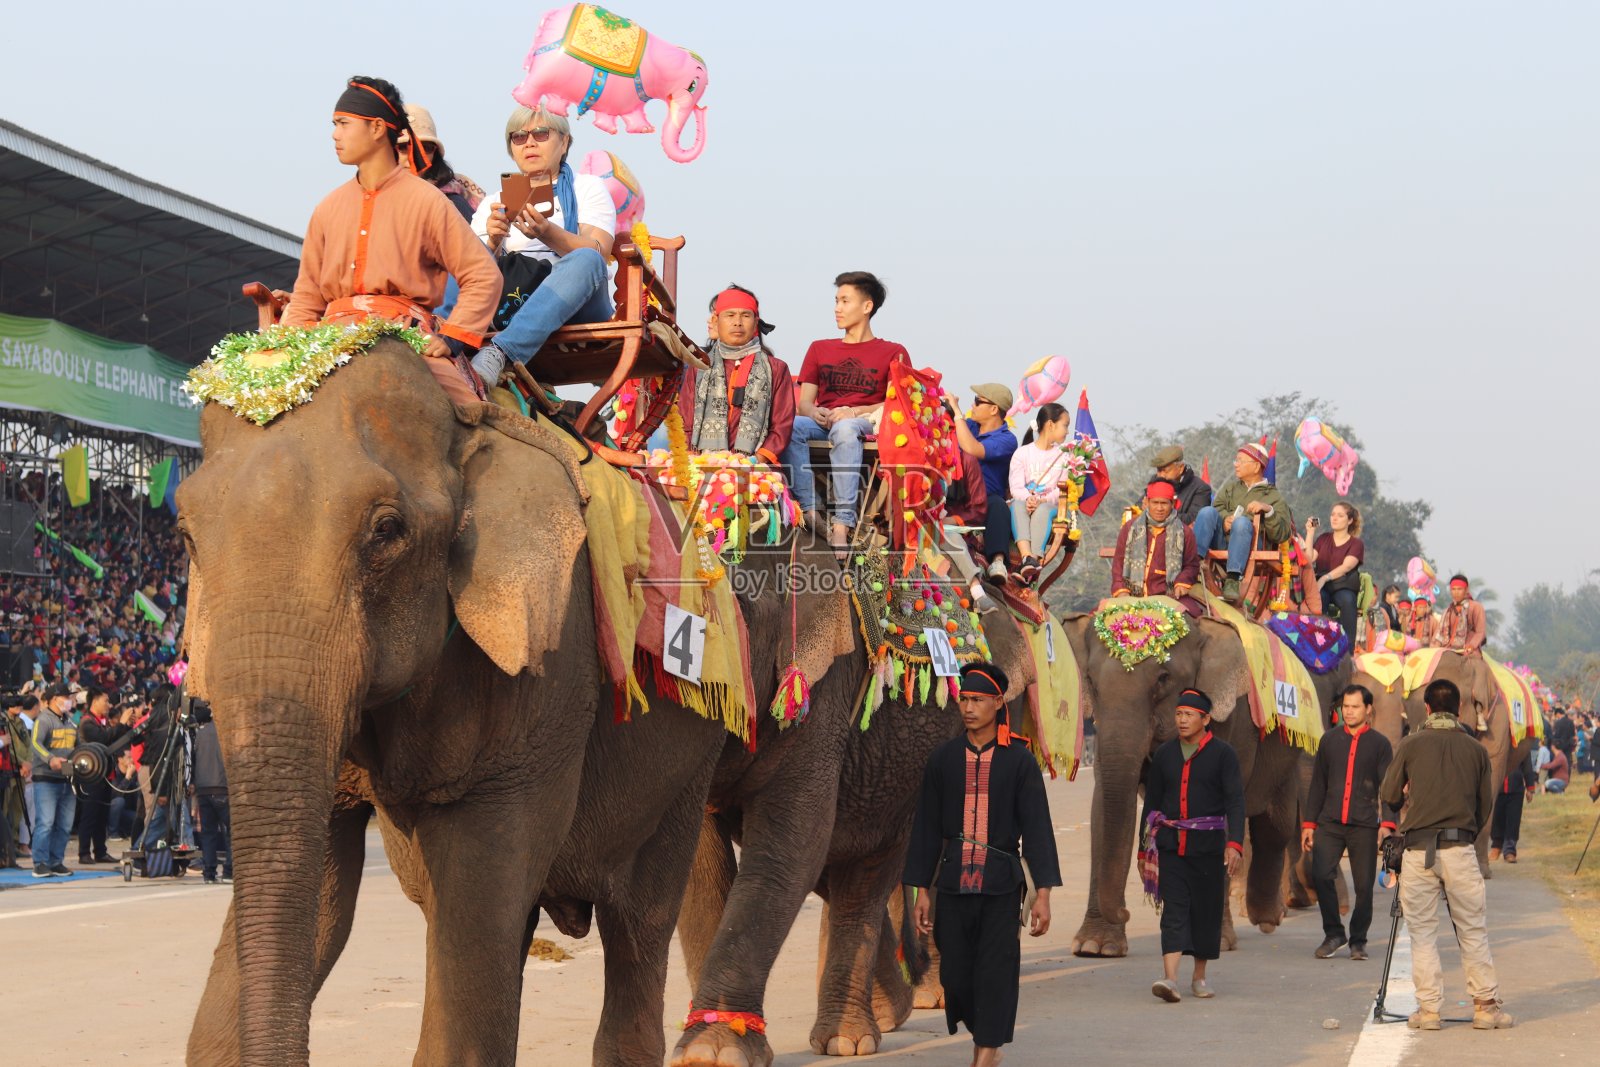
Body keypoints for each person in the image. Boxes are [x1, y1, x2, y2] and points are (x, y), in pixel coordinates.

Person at [280, 76, 501, 386]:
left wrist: (451, 338)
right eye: (334, 125)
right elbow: (306, 296)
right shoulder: (327, 208)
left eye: (343, 124)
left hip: (405, 338)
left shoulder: (427, 201)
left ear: (377, 128)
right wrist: (289, 351)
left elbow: (483, 275)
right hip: (327, 340)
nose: (334, 134)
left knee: (463, 407)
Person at [905, 662, 1060, 1067]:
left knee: (996, 970)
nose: (969, 708)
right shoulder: (943, 760)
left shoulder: (1020, 760)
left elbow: (1038, 829)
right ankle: (986, 1037)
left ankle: (986, 1053)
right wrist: (921, 891)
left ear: (997, 702)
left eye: (977, 700)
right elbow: (926, 829)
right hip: (953, 884)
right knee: (955, 975)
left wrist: (1043, 895)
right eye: (964, 699)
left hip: (1001, 887)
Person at [1380, 678, 1514, 1031]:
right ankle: (1485, 1008)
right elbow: (1484, 807)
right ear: (1460, 709)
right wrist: (1464, 831)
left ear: (1426, 708)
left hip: (1417, 850)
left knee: (1422, 934)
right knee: (1472, 930)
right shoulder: (1476, 750)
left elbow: (1389, 794)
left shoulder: (1410, 744)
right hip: (1460, 849)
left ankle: (1428, 1012)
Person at [469, 106, 617, 387]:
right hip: (513, 298)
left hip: (578, 299)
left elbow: (600, 252)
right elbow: (471, 269)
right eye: (519, 137)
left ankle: (500, 352)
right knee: (456, 254)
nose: (530, 143)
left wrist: (548, 233)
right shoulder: (493, 203)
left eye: (540, 133)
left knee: (588, 259)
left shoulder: (587, 188)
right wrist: (494, 241)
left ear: (564, 142)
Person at [781, 272, 909, 553]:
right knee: (790, 425)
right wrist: (816, 412)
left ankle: (842, 523)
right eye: (836, 301)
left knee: (846, 428)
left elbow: (896, 403)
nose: (837, 308)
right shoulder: (819, 348)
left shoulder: (893, 351)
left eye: (844, 301)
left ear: (867, 306)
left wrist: (854, 411)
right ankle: (810, 510)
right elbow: (804, 403)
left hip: (865, 424)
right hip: (825, 421)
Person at [1143, 689, 1245, 1002]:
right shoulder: (1165, 755)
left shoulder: (1223, 755)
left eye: (1189, 715)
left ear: (1206, 719)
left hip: (1208, 849)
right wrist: (1143, 848)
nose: (1182, 720)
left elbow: (1235, 802)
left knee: (1205, 912)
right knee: (1173, 910)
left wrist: (1234, 844)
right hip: (1170, 847)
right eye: (1179, 714)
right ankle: (1170, 979)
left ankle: (1199, 977)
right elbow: (1152, 803)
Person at [1301, 685, 1394, 961]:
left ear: (1368, 709)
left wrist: (1388, 823)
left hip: (1363, 824)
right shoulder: (1329, 740)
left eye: (1355, 707)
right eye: (1345, 707)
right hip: (1329, 822)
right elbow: (1318, 784)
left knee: (1364, 886)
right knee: (1321, 875)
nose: (1349, 712)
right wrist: (1309, 823)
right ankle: (1334, 934)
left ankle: (1358, 940)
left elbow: (1388, 787)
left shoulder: (1380, 744)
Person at [674, 286, 795, 463]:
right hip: (702, 464)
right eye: (730, 315)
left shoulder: (776, 368)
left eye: (745, 316)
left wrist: (755, 461)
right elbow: (685, 421)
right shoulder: (699, 366)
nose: (737, 322)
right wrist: (696, 462)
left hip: (756, 466)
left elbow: (781, 426)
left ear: (756, 322)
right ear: (716, 321)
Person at [1191, 443, 1294, 605]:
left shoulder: (1273, 496)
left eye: (1240, 461)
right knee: (1206, 512)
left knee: (1242, 523)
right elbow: (1217, 508)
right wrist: (1225, 520)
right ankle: (1193, 564)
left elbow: (1283, 533)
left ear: (1256, 466)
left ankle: (1233, 579)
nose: (1236, 464)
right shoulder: (1230, 489)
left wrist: (1268, 510)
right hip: (1223, 541)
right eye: (1236, 460)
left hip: (1251, 545)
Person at [947, 384, 1019, 577]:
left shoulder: (1007, 439)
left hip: (986, 500)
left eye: (978, 402)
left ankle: (997, 562)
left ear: (994, 409)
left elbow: (972, 449)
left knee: (998, 505)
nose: (973, 405)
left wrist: (957, 413)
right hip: (955, 494)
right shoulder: (970, 425)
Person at [1110, 481, 1201, 615]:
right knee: (1098, 620)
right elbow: (1118, 563)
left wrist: (1182, 583)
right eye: (1155, 503)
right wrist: (1121, 590)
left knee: (1191, 619)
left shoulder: (1185, 532)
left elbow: (1191, 565)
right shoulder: (1129, 528)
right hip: (1131, 596)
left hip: (1169, 597)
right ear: (1147, 502)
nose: (1159, 508)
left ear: (1173, 504)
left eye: (1164, 503)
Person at [1007, 403, 1072, 585]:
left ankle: (1032, 561)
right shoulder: (1022, 453)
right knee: (1017, 505)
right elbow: (1016, 488)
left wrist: (1042, 500)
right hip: (1025, 503)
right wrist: (1028, 499)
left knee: (1043, 510)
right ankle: (1027, 557)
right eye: (1065, 425)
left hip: (1050, 507)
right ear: (1050, 424)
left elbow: (1063, 489)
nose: (1067, 431)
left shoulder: (1064, 456)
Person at [397, 104, 486, 220]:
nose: (414, 157)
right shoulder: (377, 201)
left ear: (435, 154)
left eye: (426, 148)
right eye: (403, 147)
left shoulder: (452, 205)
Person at [28, 681, 78, 877]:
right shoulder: (43, 719)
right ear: (55, 699)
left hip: (67, 778)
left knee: (65, 825)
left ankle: (56, 861)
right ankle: (40, 862)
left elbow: (79, 747)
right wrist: (50, 759)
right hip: (46, 778)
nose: (69, 701)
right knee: (46, 823)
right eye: (66, 697)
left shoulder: (70, 721)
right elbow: (35, 743)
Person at [940, 451, 1000, 615]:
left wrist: (951, 520)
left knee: (950, 537)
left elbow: (977, 509)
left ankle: (977, 591)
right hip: (912, 522)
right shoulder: (915, 454)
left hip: (948, 527)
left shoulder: (966, 459)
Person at [76, 687, 130, 865]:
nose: (109, 705)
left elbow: (112, 738)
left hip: (104, 773)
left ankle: (100, 851)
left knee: (102, 815)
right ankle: (84, 852)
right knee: (89, 814)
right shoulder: (87, 723)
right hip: (92, 775)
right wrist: (121, 724)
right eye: (105, 701)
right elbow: (103, 739)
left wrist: (124, 727)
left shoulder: (101, 722)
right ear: (94, 701)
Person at [1307, 503, 1365, 639]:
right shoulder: (1323, 539)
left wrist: (1325, 578)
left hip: (1342, 585)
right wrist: (1310, 533)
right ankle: (1316, 640)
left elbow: (1346, 567)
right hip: (1322, 587)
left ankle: (1347, 646)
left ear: (1350, 520)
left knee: (1348, 600)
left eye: (1340, 515)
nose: (1334, 518)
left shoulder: (1356, 544)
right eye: (1333, 515)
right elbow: (1309, 559)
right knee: (1318, 599)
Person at [189, 703, 231, 884]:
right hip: (222, 787)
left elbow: (194, 760)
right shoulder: (228, 733)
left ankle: (209, 873)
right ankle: (229, 871)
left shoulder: (201, 733)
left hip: (203, 789)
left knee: (208, 833)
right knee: (231, 831)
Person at [1489, 747, 1535, 863]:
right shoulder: (1496, 743)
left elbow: (1527, 766)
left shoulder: (1521, 744)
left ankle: (1510, 850)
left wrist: (1530, 788)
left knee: (1513, 820)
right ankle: (1496, 846)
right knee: (1496, 818)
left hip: (1516, 788)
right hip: (1497, 787)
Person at [1151, 445, 1212, 526]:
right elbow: (1139, 506)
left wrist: (1158, 514)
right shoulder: (1155, 482)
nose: (1161, 476)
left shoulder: (1201, 488)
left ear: (1180, 468)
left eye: (1165, 471)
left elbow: (1193, 519)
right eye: (1159, 471)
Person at [1437, 575, 1487, 655]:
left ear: (1466, 590)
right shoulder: (1448, 611)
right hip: (1448, 650)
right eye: (1453, 589)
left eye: (1459, 589)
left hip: (1469, 652)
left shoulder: (1476, 607)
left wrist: (1472, 645)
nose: (1456, 592)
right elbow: (1439, 635)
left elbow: (1480, 632)